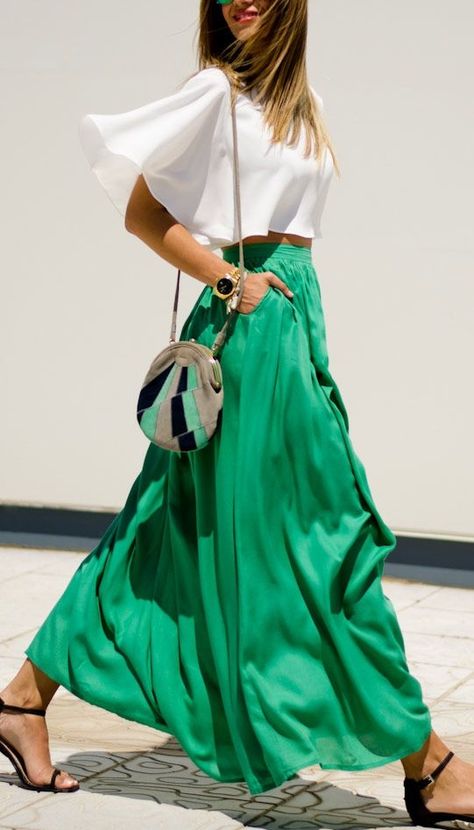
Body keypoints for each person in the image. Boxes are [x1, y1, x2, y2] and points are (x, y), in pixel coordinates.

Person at [1, 0, 473, 822]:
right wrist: (230, 281)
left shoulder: (302, 104)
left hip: (294, 333)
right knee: (323, 542)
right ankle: (428, 764)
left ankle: (20, 701)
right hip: (249, 336)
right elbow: (143, 214)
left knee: (169, 525)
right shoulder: (215, 94)